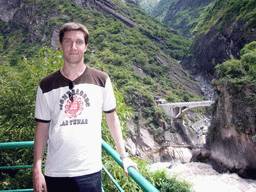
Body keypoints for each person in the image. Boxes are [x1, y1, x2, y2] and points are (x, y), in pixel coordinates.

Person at [32, 22, 138, 192]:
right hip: (56, 172)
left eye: (79, 42)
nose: (73, 47)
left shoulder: (101, 80)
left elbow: (112, 118)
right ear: (60, 45)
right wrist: (37, 169)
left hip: (90, 172)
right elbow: (42, 127)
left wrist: (124, 156)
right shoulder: (46, 84)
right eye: (68, 41)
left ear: (86, 46)